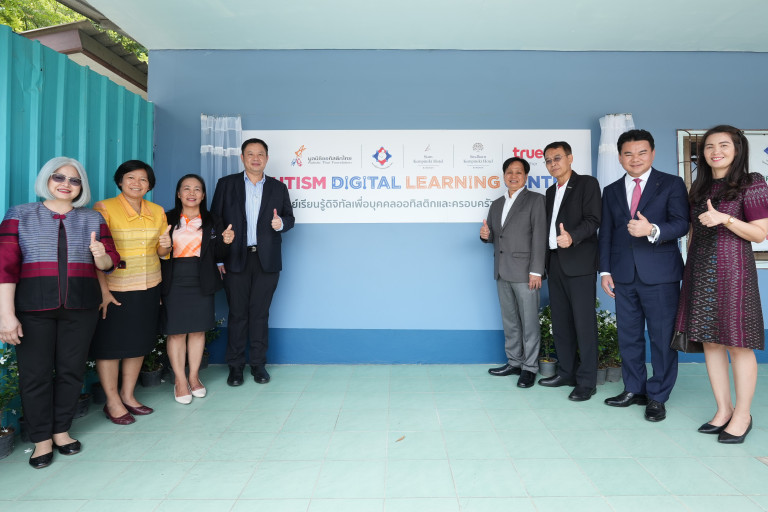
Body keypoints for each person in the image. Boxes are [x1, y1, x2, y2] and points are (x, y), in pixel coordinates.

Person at [0, 157, 120, 468]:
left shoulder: (93, 219)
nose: (66, 184)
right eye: (59, 177)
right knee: (35, 375)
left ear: (82, 187)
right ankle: (41, 439)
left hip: (81, 308)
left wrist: (100, 255)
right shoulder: (20, 215)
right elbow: (5, 267)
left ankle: (61, 431)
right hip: (32, 308)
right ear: (47, 180)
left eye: (74, 180)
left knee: (72, 371)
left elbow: (109, 263)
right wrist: (6, 315)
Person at [675, 125, 768, 443]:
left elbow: (760, 233)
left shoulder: (752, 182)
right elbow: (692, 233)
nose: (716, 151)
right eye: (710, 146)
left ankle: (743, 415)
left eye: (724, 145)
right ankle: (723, 409)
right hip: (700, 271)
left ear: (737, 149)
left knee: (738, 344)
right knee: (710, 342)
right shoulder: (699, 188)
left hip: (734, 272)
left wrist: (725, 219)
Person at [599, 129, 690, 421]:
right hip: (623, 275)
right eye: (628, 153)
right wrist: (605, 270)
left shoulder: (672, 183)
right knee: (629, 337)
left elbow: (682, 224)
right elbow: (606, 234)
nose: (635, 158)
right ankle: (634, 389)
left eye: (641, 152)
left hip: (661, 275)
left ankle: (658, 395)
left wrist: (652, 230)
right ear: (620, 157)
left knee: (662, 338)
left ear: (652, 153)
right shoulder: (611, 190)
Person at [90, 160, 171, 425]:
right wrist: (103, 292)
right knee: (110, 346)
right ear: (120, 181)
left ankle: (128, 395)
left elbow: (161, 252)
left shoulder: (157, 211)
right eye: (131, 178)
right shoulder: (105, 208)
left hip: (149, 285)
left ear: (150, 185)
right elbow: (96, 254)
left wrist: (166, 245)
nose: (137, 183)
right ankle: (112, 401)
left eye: (143, 179)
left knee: (138, 343)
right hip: (115, 288)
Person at [211, 138, 295, 386]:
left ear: (267, 159)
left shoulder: (278, 188)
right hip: (235, 258)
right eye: (250, 154)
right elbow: (215, 221)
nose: (255, 158)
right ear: (242, 158)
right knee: (237, 314)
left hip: (266, 260)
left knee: (260, 314)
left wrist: (281, 224)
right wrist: (218, 257)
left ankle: (258, 365)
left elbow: (289, 218)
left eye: (260, 154)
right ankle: (235, 367)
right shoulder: (226, 184)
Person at [162, 174, 234, 403]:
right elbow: (157, 251)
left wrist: (226, 242)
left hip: (202, 278)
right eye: (186, 188)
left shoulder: (212, 220)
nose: (191, 193)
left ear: (203, 195)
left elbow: (219, 254)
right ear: (178, 193)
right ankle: (180, 380)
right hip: (173, 279)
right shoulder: (166, 218)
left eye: (197, 189)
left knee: (197, 331)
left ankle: (193, 377)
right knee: (176, 332)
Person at [539, 141, 602, 401]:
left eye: (557, 158)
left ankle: (587, 382)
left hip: (580, 264)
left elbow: (594, 220)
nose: (553, 164)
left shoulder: (587, 184)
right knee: (561, 322)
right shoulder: (549, 192)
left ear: (570, 158)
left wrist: (572, 237)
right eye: (548, 160)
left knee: (584, 324)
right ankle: (566, 373)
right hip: (555, 263)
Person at [480, 157, 546, 388]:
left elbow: (539, 237)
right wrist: (485, 236)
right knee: (510, 321)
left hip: (526, 272)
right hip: (501, 271)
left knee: (529, 322)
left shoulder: (536, 200)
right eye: (509, 172)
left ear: (526, 176)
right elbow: (495, 236)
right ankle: (514, 362)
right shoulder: (497, 204)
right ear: (504, 175)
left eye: (519, 172)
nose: (513, 176)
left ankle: (529, 367)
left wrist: (536, 271)